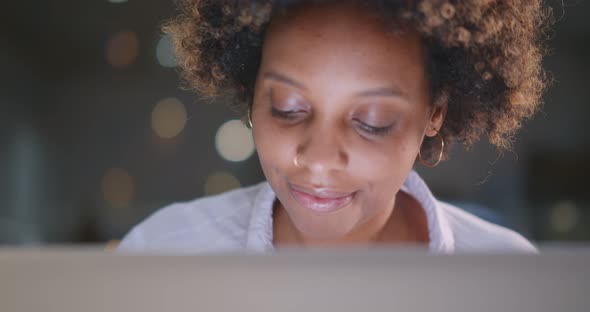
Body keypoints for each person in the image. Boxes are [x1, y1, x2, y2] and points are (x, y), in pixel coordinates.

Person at [119, 0, 551, 253]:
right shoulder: (163, 250)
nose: (319, 159)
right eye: (287, 108)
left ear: (435, 112)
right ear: (251, 93)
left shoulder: (507, 274)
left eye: (372, 121)